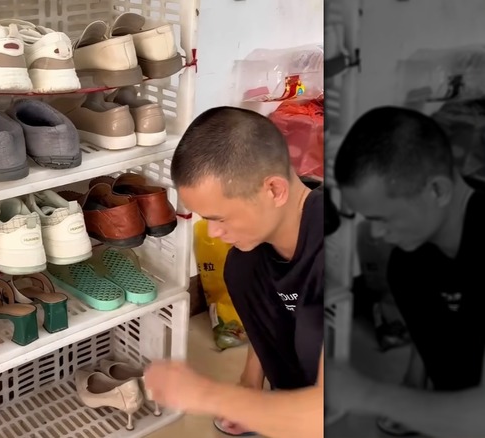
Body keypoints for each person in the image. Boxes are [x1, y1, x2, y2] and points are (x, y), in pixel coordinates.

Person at [144, 106, 324, 438]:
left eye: (220, 218)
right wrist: (248, 388)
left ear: (274, 190)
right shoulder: (246, 263)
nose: (213, 233)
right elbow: (268, 324)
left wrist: (209, 395)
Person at [326, 106, 485, 437]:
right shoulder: (409, 261)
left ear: (437, 190)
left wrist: (367, 395)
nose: (377, 234)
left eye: (384, 219)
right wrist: (412, 387)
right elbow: (431, 330)